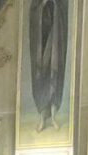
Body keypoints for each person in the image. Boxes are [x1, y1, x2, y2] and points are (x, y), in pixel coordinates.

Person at [29, 0, 68, 132]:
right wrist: (43, 4)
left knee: (55, 74)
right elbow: (33, 10)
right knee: (40, 75)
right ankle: (42, 117)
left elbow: (64, 8)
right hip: (41, 37)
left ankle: (53, 116)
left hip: (55, 35)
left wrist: (55, 4)